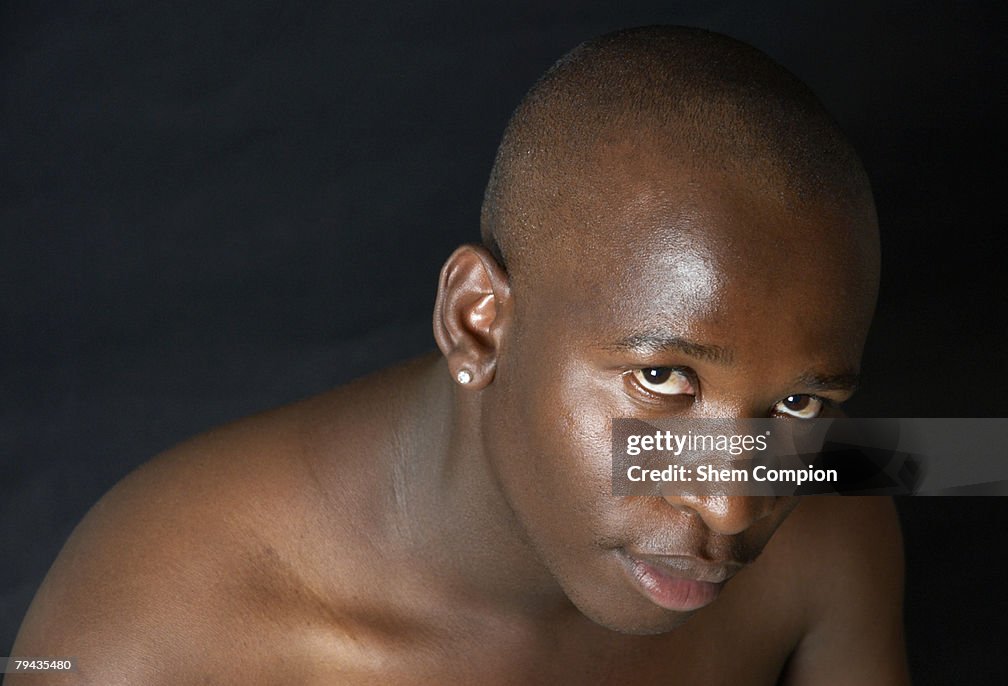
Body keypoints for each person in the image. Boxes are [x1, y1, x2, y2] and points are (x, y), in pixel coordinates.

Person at [8, 26, 909, 685]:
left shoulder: (828, 523)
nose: (730, 500)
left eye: (797, 406)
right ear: (479, 324)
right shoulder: (149, 638)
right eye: (662, 378)